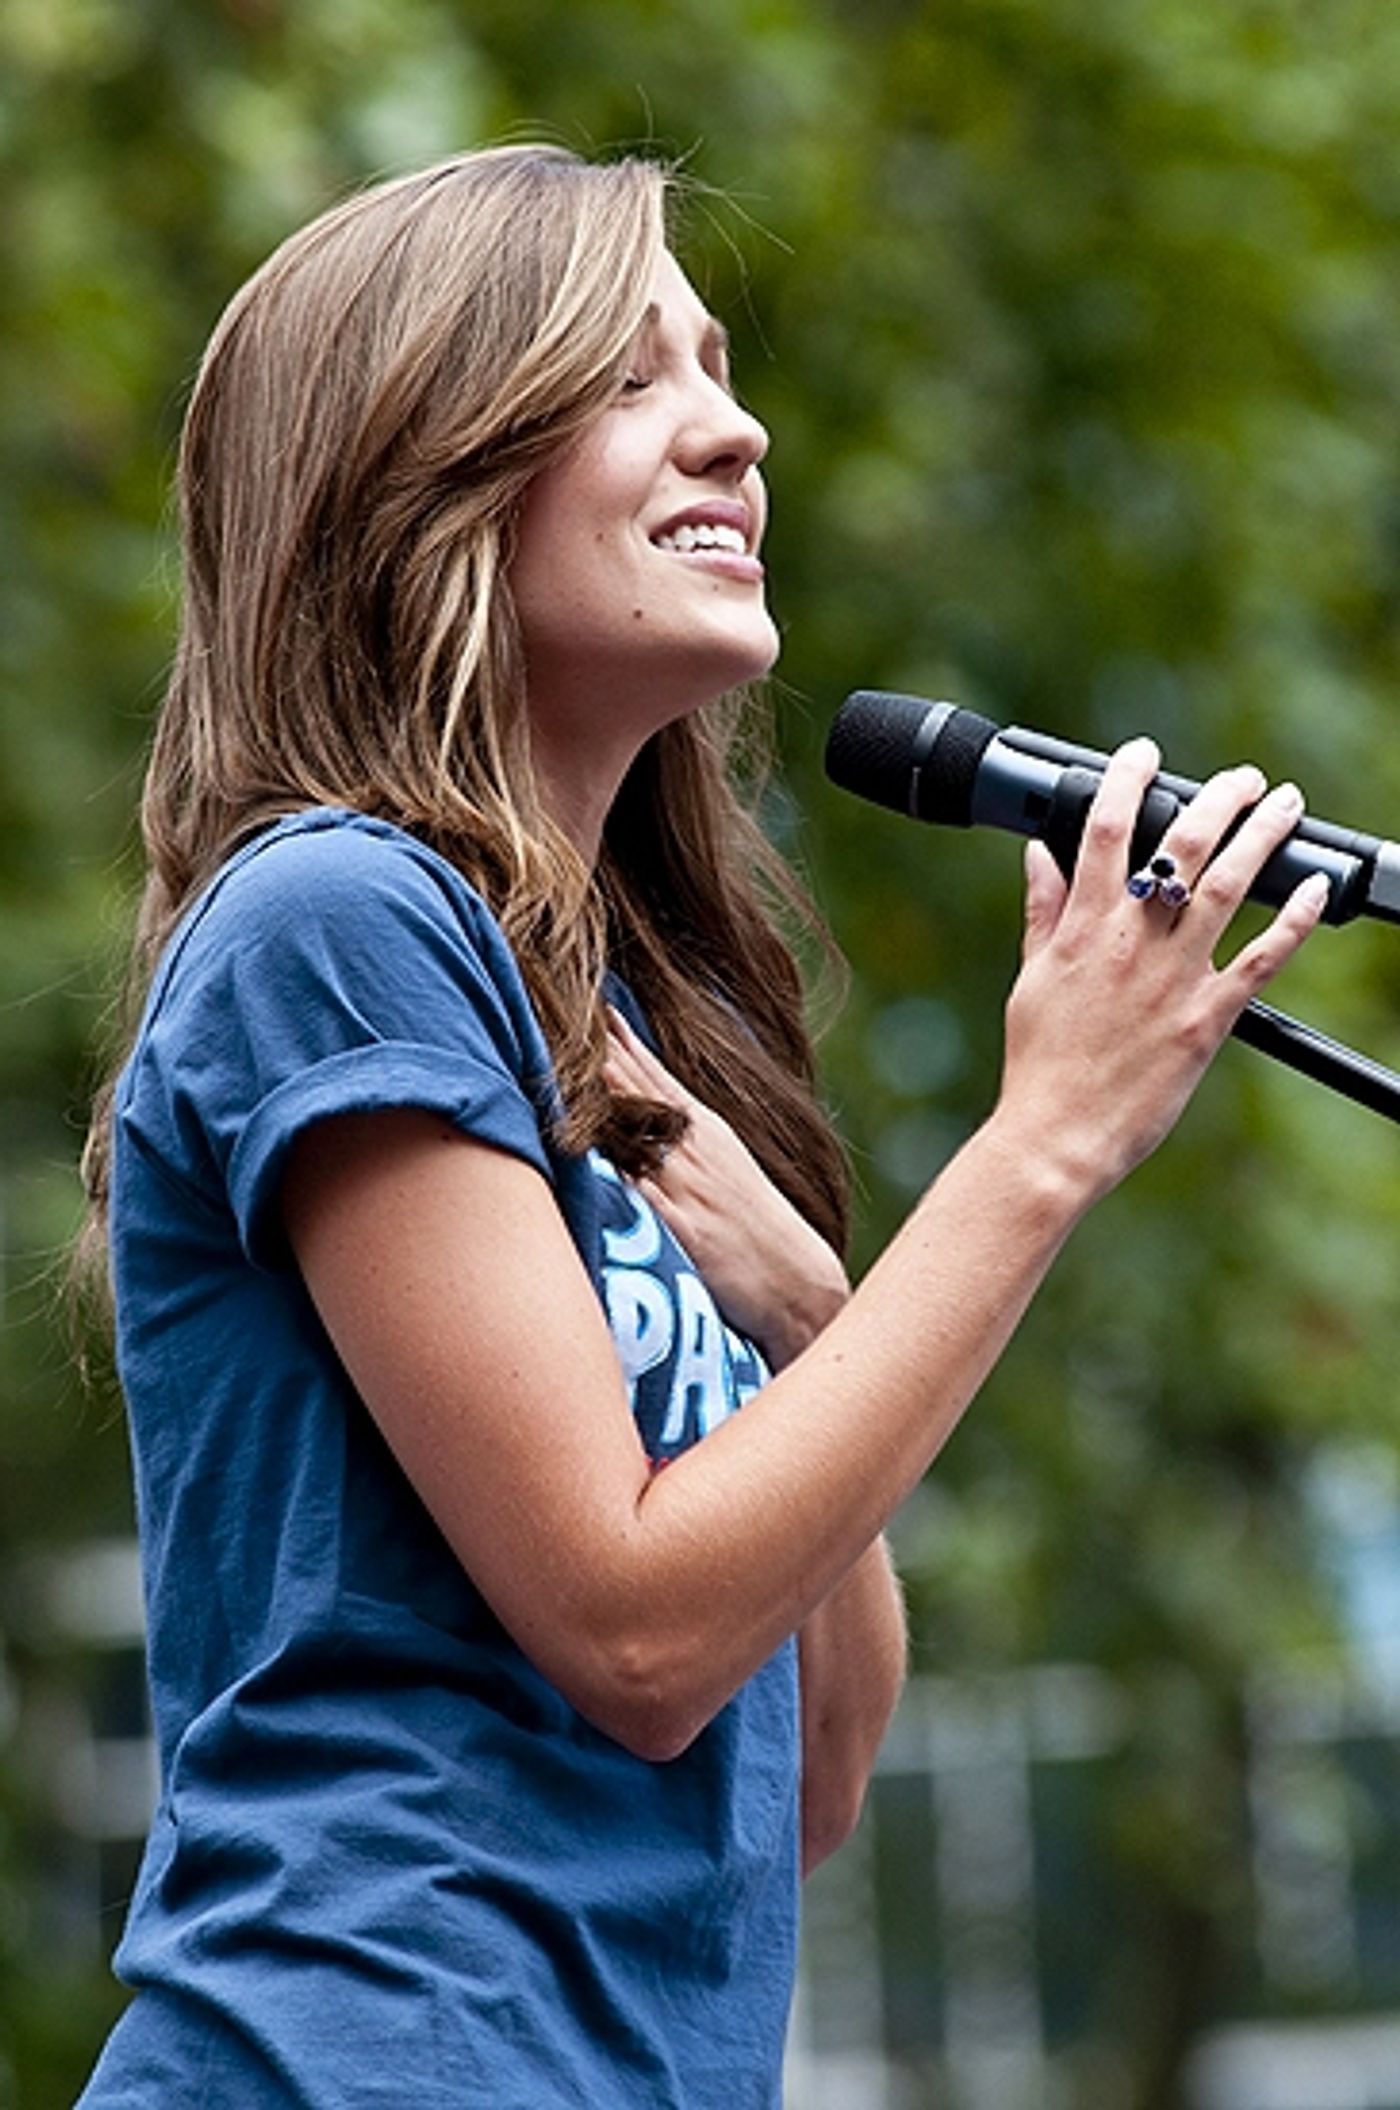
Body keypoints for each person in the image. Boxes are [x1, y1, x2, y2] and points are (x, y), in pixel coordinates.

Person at [74, 144, 1329, 2108]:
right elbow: (639, 1632)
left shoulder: (630, 1034)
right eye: (633, 375)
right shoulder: (335, 917)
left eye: (720, 366)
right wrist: (1043, 1142)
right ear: (425, 458)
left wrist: (820, 1317)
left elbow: (814, 1765)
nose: (735, 429)